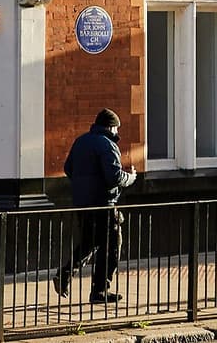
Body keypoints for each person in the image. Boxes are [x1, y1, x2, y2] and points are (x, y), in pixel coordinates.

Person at [56, 106, 134, 302]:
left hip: (83, 203)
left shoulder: (81, 141)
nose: (118, 133)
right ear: (111, 127)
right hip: (103, 204)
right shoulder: (107, 145)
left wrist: (84, 186)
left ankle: (64, 273)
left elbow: (68, 168)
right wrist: (131, 177)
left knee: (89, 242)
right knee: (112, 246)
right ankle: (100, 290)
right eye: (117, 129)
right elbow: (114, 177)